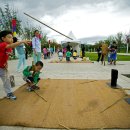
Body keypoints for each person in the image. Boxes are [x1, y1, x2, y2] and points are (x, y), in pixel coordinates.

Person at [0, 30, 30, 100]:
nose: (11, 39)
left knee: (7, 81)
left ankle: (9, 93)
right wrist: (22, 41)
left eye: (12, 37)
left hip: (2, 67)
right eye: (9, 37)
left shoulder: (9, 48)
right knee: (6, 80)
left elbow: (5, 56)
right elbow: (10, 45)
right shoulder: (2, 44)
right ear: (3, 38)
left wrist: (5, 63)